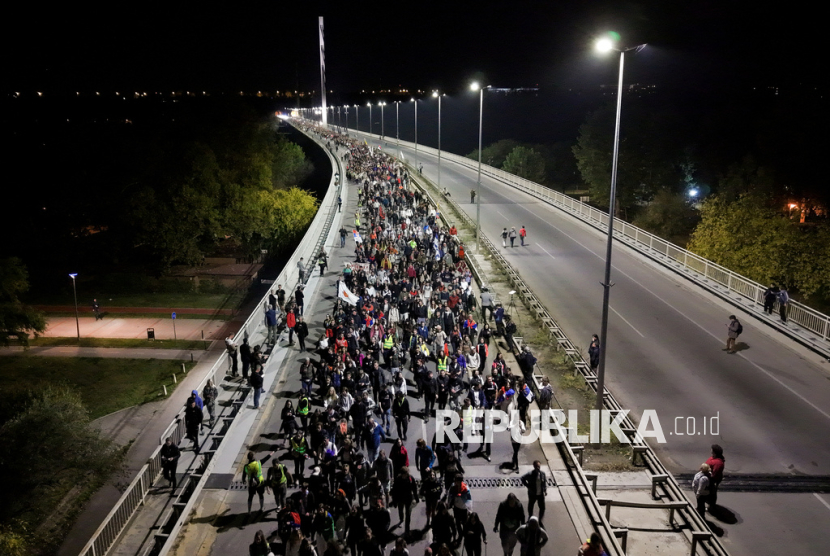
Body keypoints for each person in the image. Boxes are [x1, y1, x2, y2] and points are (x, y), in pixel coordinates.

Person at [391, 467, 420, 534]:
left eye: (406, 474)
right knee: (400, 510)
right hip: (400, 499)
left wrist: (416, 498)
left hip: (408, 499)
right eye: (404, 474)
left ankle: (407, 529)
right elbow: (394, 491)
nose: (405, 476)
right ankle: (401, 520)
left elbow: (414, 489)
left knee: (408, 514)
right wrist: (394, 501)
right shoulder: (398, 479)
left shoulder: (410, 479)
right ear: (401, 474)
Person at [705, 444, 725, 509]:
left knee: (712, 491)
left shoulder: (718, 463)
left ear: (715, 452)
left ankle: (711, 505)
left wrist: (709, 477)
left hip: (713, 479)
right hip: (707, 477)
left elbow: (715, 473)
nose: (710, 451)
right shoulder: (712, 458)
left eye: (712, 450)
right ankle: (707, 500)